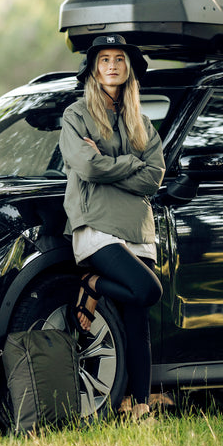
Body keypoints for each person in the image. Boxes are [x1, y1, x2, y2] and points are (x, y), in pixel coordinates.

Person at [58, 33, 165, 422]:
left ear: (128, 67)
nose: (112, 66)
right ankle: (92, 284)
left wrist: (114, 164)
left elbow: (153, 178)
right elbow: (87, 167)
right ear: (93, 69)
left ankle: (140, 407)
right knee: (147, 290)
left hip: (138, 228)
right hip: (98, 224)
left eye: (119, 59)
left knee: (137, 320)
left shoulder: (142, 122)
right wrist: (131, 165)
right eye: (104, 59)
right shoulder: (76, 115)